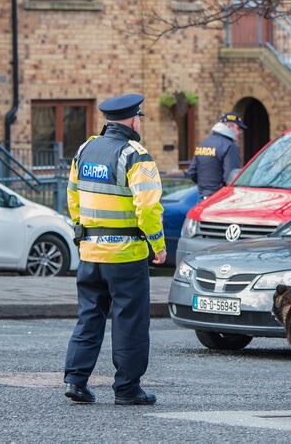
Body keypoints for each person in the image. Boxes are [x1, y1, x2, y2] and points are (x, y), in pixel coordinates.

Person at [63, 93, 166, 405]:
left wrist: (84, 231)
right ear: (134, 119)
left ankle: (76, 381)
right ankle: (127, 389)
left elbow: (72, 196)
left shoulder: (86, 149)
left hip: (90, 252)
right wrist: (158, 245)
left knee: (89, 316)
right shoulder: (136, 155)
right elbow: (148, 208)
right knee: (129, 321)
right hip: (126, 255)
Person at [185, 111, 245, 198]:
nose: (240, 132)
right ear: (230, 126)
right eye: (238, 128)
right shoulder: (230, 146)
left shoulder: (203, 144)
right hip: (220, 200)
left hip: (202, 199)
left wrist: (206, 189)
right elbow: (231, 178)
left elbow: (192, 173)